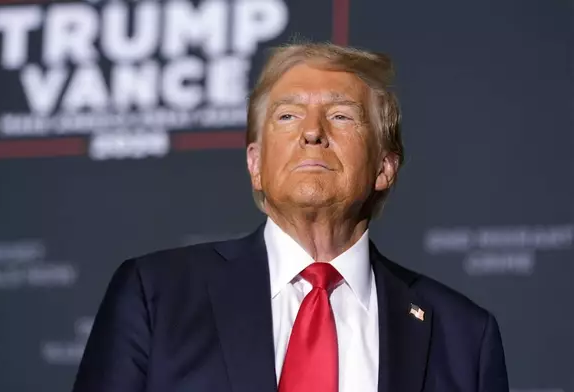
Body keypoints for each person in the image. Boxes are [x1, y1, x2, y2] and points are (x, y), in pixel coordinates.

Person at [72, 42, 508, 392]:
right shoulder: (156, 296)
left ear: (384, 167)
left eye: (340, 115)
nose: (312, 132)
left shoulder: (463, 335)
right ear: (255, 164)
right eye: (287, 116)